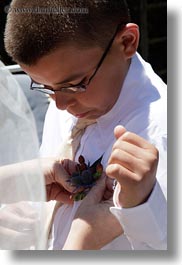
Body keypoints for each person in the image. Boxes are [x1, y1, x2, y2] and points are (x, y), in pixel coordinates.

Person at [4, 0, 167, 250]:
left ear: (127, 42)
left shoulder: (164, 134)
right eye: (45, 87)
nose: (59, 104)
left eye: (75, 84)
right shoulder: (73, 93)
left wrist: (143, 207)